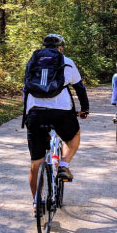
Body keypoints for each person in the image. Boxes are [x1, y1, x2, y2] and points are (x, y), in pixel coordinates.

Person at [23, 33, 89, 208]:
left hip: (35, 113)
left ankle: (37, 202)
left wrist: (27, 113)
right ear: (60, 48)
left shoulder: (32, 62)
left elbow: (26, 89)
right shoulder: (66, 61)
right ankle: (63, 166)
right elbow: (80, 88)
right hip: (61, 113)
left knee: (35, 163)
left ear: (44, 47)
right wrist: (85, 109)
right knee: (73, 137)